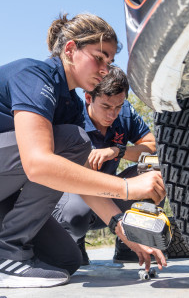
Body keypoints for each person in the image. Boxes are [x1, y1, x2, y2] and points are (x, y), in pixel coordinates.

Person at [0, 13, 166, 289]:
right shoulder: (34, 76)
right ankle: (6, 253)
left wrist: (123, 228)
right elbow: (38, 164)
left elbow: (80, 183)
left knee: (64, 260)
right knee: (75, 141)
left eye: (110, 61)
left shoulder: (69, 107)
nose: (106, 69)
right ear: (70, 50)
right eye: (99, 57)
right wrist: (127, 187)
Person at [53, 66, 159, 265]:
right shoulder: (70, 116)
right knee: (76, 213)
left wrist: (118, 150)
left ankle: (129, 243)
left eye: (118, 106)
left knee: (154, 172)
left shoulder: (125, 112)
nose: (113, 114)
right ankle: (72, 241)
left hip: (110, 194)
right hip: (72, 199)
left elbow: (152, 147)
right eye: (106, 106)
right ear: (88, 98)